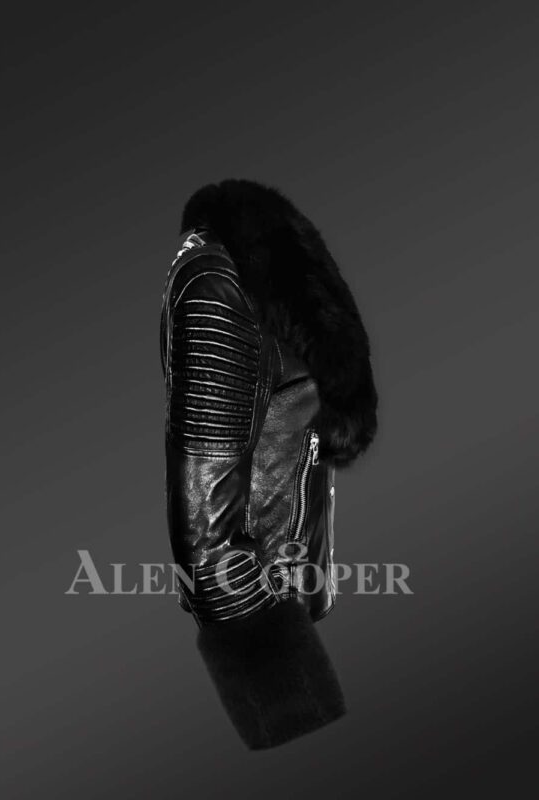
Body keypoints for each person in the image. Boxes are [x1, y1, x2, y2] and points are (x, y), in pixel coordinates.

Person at [159, 178, 378, 749]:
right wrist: (289, 701)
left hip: (299, 607)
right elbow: (203, 531)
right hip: (264, 620)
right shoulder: (219, 284)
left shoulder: (269, 277)